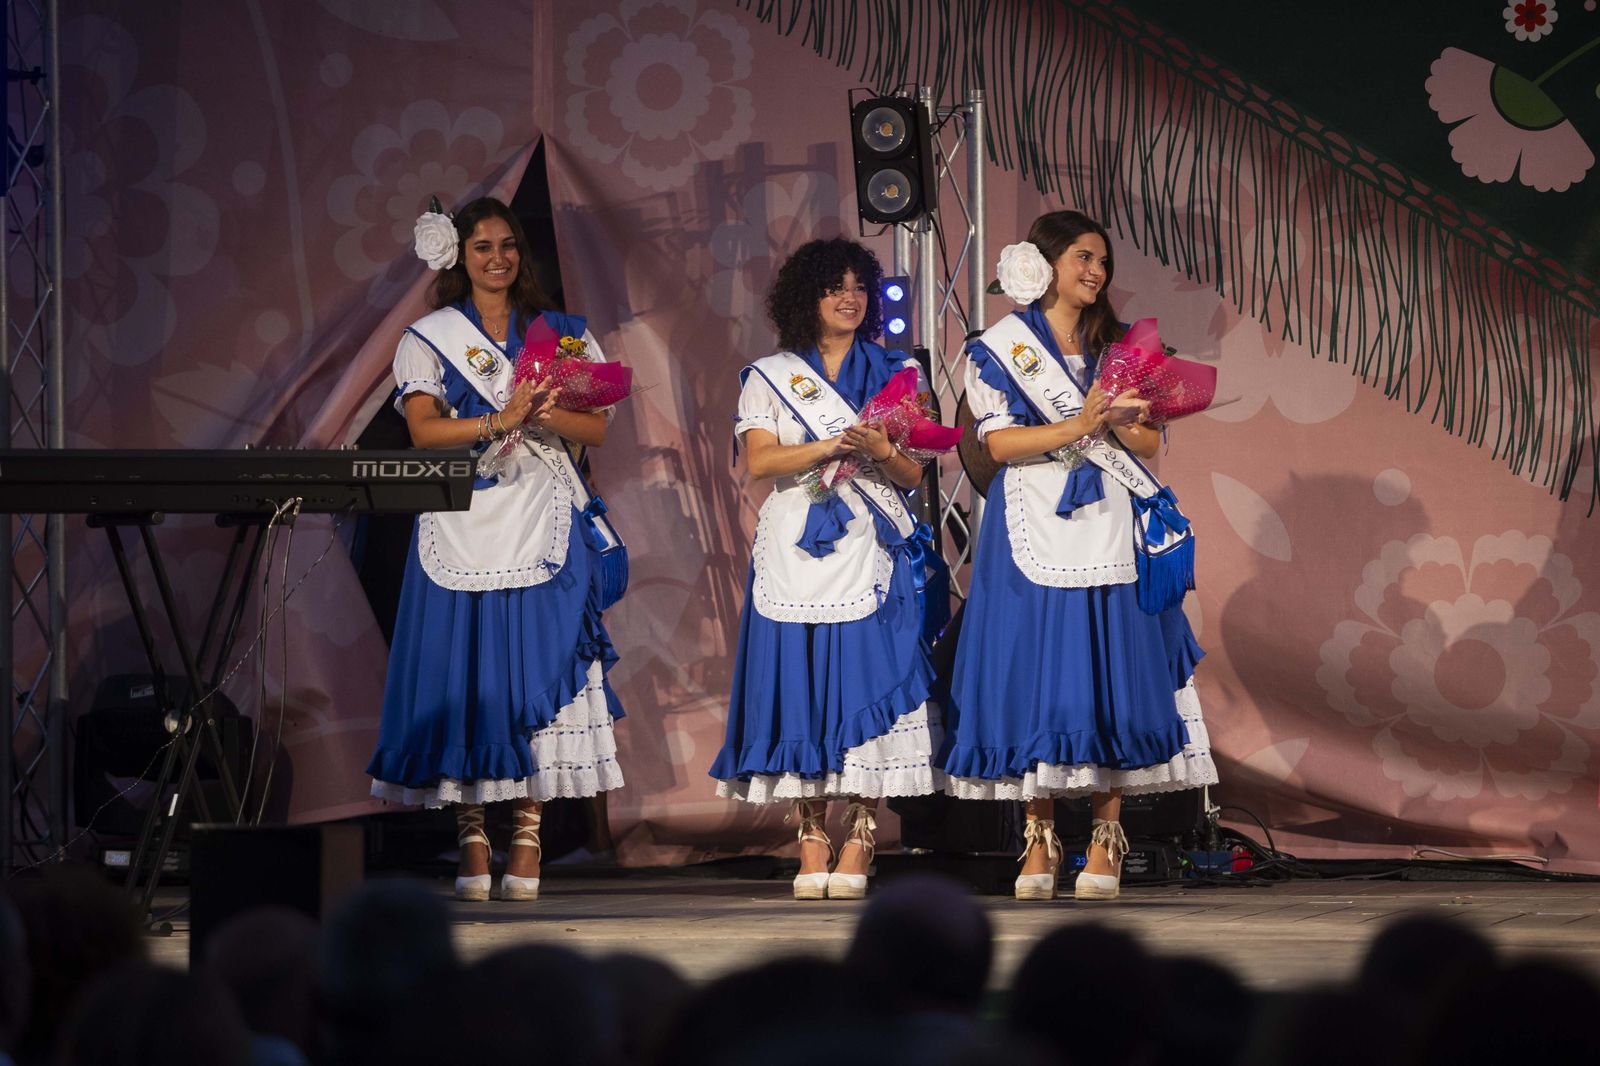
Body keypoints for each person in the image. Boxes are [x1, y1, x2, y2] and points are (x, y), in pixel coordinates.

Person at [938, 209, 1215, 901]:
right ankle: (1038, 836)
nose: (1095, 272)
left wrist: (1124, 423)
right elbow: (996, 446)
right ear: (1046, 262)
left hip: (1107, 516)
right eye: (1083, 258)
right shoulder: (998, 348)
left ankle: (1106, 835)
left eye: (1102, 262)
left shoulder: (1120, 346)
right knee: (1034, 670)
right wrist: (1079, 423)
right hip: (1028, 519)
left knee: (1108, 667)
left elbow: (1149, 446)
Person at [367, 195, 626, 902]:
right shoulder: (429, 336)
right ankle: (473, 834)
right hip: (462, 517)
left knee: (535, 669)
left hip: (544, 513)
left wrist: (543, 412)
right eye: (482, 247)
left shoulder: (564, 333)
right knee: (469, 677)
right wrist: (496, 419)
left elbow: (597, 428)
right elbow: (423, 431)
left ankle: (529, 834)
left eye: (508, 245)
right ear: (458, 257)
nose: (498, 258)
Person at [710, 237, 941, 900]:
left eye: (858, 286)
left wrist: (879, 450)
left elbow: (911, 473)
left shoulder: (899, 373)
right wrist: (835, 443)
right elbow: (760, 461)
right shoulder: (769, 374)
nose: (849, 297)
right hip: (794, 547)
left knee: (868, 677)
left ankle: (864, 829)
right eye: (833, 286)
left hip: (871, 543)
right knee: (801, 684)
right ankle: (811, 832)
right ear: (804, 298)